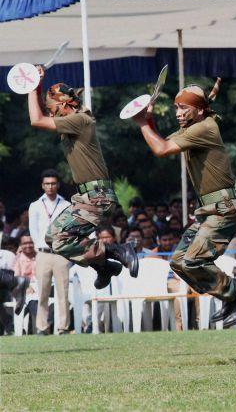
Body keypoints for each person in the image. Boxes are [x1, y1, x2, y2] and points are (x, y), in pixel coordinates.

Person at [133, 80, 236, 328]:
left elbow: (161, 148)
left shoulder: (205, 128)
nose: (178, 114)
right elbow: (160, 140)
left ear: (200, 110)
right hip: (207, 212)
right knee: (179, 262)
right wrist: (148, 122)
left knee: (193, 262)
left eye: (183, 108)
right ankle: (233, 296)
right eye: (176, 108)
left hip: (223, 210)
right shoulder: (194, 127)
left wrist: (140, 122)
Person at [24, 66, 138, 289]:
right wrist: (37, 85)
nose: (52, 114)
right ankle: (104, 266)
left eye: (53, 108)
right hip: (87, 195)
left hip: (97, 195)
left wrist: (30, 85)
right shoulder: (72, 121)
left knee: (59, 239)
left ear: (65, 104)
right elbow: (41, 115)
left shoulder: (79, 120)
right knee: (53, 238)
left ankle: (117, 251)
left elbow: (36, 120)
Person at [28, 169, 72, 335]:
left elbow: (70, 228)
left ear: (58, 185)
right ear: (42, 185)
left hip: (61, 253)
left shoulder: (66, 205)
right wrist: (39, 246)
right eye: (47, 184)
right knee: (43, 292)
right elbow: (33, 230)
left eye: (53, 183)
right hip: (43, 253)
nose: (50, 187)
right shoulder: (36, 205)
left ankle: (63, 327)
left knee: (63, 292)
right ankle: (42, 326)